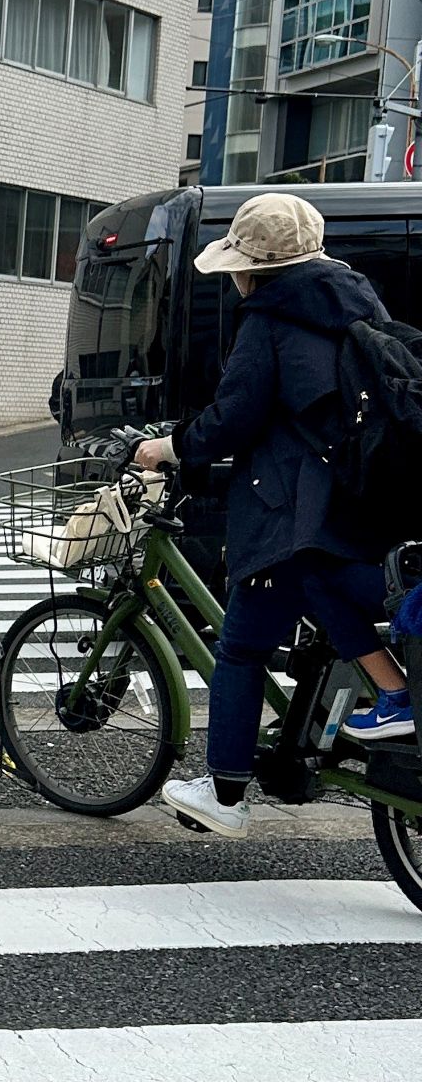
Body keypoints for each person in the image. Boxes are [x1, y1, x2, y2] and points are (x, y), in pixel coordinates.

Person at [135, 193, 411, 838]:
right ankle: (306, 741)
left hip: (292, 508)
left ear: (252, 266)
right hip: (351, 491)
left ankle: (227, 792)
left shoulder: (270, 318)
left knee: (242, 648)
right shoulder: (352, 299)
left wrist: (169, 446)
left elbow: (237, 413)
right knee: (310, 610)